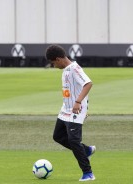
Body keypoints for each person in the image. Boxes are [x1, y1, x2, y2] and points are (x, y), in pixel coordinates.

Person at [45, 45, 96, 181]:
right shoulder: (66, 70)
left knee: (74, 140)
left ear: (58, 59)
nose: (54, 66)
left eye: (53, 63)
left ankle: (88, 173)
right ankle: (86, 150)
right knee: (58, 136)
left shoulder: (74, 68)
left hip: (76, 110)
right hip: (65, 109)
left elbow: (88, 83)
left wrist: (78, 102)